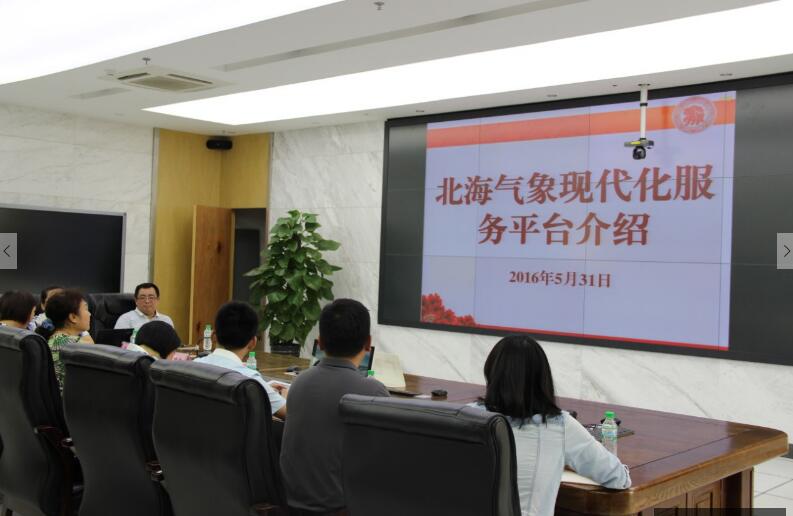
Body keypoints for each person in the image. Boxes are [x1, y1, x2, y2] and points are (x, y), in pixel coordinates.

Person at [480, 335, 630, 516]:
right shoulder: (560, 425)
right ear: (542, 379)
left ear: (491, 373)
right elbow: (618, 478)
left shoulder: (468, 416)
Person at [280, 298, 389, 514]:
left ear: (320, 343)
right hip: (340, 509)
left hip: (291, 504)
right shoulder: (373, 391)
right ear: (368, 344)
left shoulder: (299, 382)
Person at [194, 301, 286, 419]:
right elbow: (290, 413)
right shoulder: (250, 381)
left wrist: (264, 390)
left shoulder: (193, 366)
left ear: (213, 336)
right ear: (252, 343)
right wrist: (285, 395)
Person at [36, 289, 94, 390]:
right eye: (86, 309)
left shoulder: (53, 338)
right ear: (73, 317)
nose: (90, 314)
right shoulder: (74, 345)